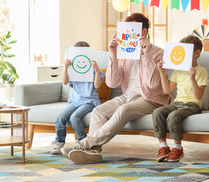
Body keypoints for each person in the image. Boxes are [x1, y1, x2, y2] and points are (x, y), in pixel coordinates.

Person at [61, 13, 173, 164]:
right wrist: (113, 54)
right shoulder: (125, 53)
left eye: (133, 30)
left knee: (124, 110)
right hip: (128, 96)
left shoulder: (159, 53)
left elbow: (153, 84)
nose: (129, 34)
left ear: (144, 32)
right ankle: (93, 151)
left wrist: (146, 54)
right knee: (98, 111)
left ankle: (83, 144)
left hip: (150, 99)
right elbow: (112, 83)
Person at [153, 35, 207, 162]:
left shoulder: (202, 71)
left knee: (173, 116)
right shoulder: (178, 70)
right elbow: (167, 91)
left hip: (192, 105)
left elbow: (199, 96)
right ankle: (164, 147)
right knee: (157, 112)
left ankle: (177, 148)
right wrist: (162, 72)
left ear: (197, 53)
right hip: (177, 103)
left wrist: (192, 78)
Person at [50, 41, 105, 155]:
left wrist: (96, 69)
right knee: (61, 116)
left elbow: (97, 85)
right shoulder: (73, 68)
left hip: (89, 101)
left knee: (75, 117)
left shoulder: (92, 68)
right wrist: (65, 67)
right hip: (75, 101)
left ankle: (83, 142)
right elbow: (65, 82)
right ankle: (59, 141)